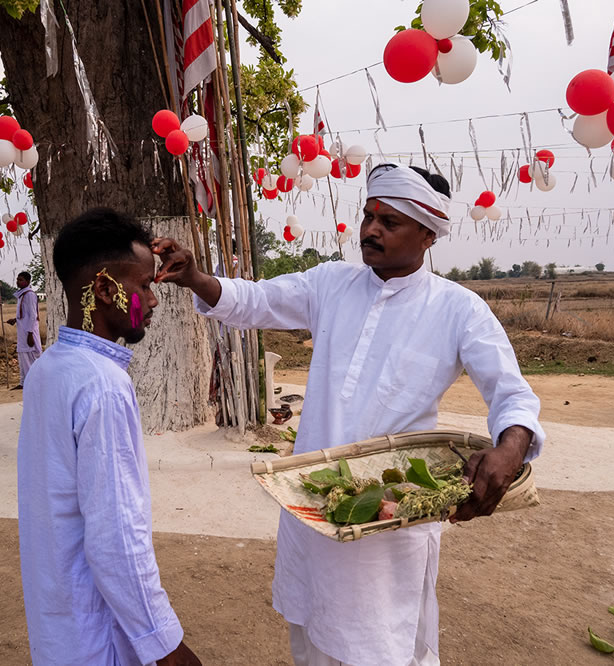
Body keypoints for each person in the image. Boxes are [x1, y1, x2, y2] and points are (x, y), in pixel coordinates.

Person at [153, 163, 545, 666]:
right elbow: (255, 300)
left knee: (384, 643)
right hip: (314, 505)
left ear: (428, 234)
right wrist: (195, 278)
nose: (370, 230)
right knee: (312, 634)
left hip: (390, 521)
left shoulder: (459, 310)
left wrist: (510, 448)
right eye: (368, 216)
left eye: (389, 222)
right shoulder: (331, 284)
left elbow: (511, 393)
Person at [17, 208, 200, 666]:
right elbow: (116, 538)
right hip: (97, 630)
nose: (154, 301)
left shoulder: (48, 369)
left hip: (59, 621)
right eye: (143, 287)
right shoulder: (101, 383)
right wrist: (166, 645)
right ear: (103, 289)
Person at [7, 270, 42, 389]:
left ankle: (32, 382)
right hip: (22, 331)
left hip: (28, 331)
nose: (18, 282)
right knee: (23, 356)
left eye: (21, 280)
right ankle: (24, 382)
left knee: (30, 356)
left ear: (27, 281)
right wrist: (15, 319)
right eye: (17, 279)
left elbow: (32, 315)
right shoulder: (22, 294)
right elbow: (25, 313)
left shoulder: (30, 295)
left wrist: (30, 333)